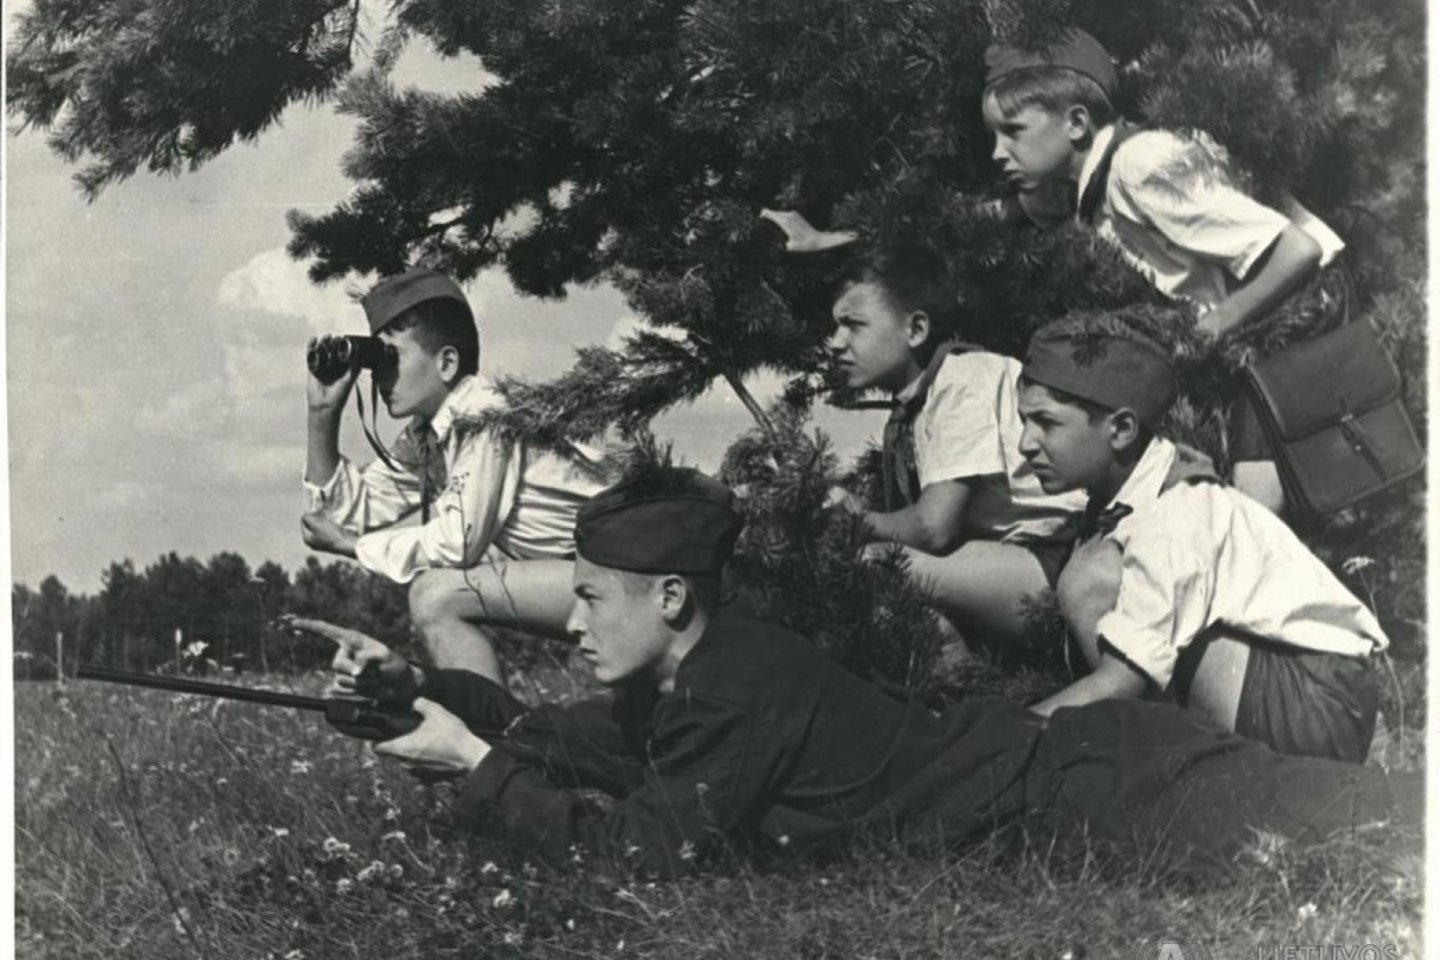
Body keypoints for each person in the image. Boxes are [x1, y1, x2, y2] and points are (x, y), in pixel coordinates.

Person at [290, 466, 1414, 878]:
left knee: (1384, 834)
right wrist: (414, 693)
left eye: (589, 598)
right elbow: (560, 738)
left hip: (1081, 785)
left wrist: (475, 770)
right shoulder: (684, 679)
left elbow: (646, 857)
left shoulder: (737, 680)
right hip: (1054, 786)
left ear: (669, 598)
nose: (572, 623)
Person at [981, 28, 1347, 514]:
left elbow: (1296, 249)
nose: (997, 153)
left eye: (1013, 132)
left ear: (1075, 123)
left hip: (1294, 325)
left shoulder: (1140, 164)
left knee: (1254, 510)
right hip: (1250, 341)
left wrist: (1209, 329)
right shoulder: (1093, 183)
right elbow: (1032, 209)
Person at [1014, 319, 1387, 761]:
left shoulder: (1173, 514)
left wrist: (1011, 732)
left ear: (1121, 430)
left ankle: (1173, 770)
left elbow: (1123, 679)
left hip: (1315, 702)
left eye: (1046, 423)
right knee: (1095, 574)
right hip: (1309, 688)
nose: (1025, 443)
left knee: (1090, 577)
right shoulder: (1146, 479)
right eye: (1023, 421)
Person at [302, 267, 608, 681]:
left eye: (391, 357)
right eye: (377, 361)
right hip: (586, 577)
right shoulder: (430, 435)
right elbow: (340, 518)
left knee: (436, 596)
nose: (380, 375)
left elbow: (457, 543)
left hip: (628, 577)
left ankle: (486, 739)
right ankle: (491, 735)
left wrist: (354, 547)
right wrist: (322, 414)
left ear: (446, 362)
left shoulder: (485, 414)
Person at [823, 243, 1085, 646]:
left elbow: (933, 529)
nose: (835, 342)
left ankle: (957, 697)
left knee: (877, 565)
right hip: (1023, 558)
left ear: (915, 330)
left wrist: (856, 519)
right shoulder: (923, 399)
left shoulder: (961, 380)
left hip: (1062, 560)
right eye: (834, 327)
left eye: (853, 325)